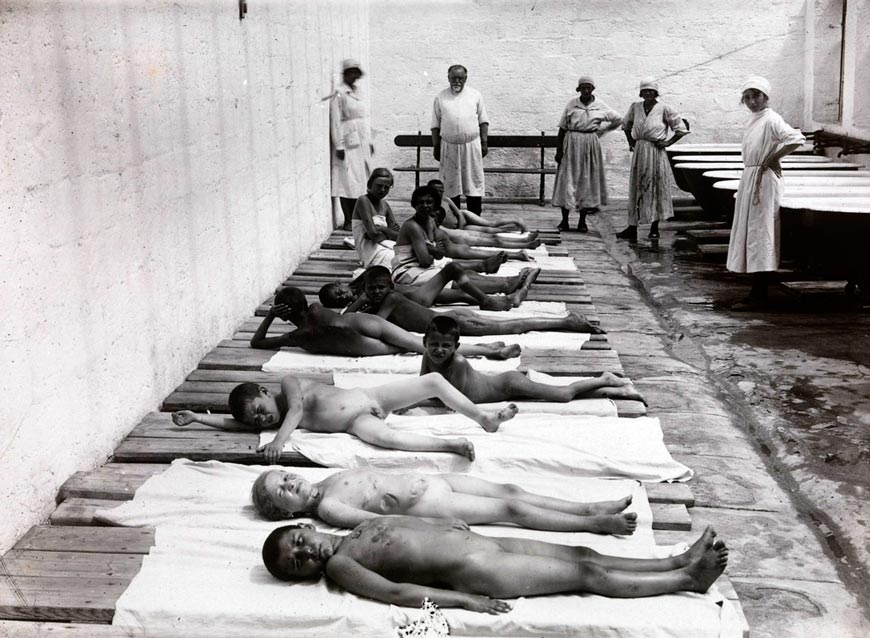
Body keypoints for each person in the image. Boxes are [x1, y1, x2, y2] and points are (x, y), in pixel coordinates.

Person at [261, 519, 728, 612]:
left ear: (305, 525)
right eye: (298, 563)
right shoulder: (342, 564)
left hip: (477, 540)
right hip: (479, 572)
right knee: (586, 576)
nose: (307, 554)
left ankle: (673, 559)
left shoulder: (355, 531)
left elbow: (407, 525)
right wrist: (466, 601)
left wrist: (447, 523)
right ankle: (688, 579)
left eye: (300, 542)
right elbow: (398, 594)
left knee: (586, 555)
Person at [171, 374, 518, 463]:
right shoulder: (273, 422)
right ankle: (451, 445)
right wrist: (200, 419)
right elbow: (235, 424)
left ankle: (483, 418)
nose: (264, 420)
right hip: (355, 423)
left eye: (261, 410)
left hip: (371, 397)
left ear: (264, 392)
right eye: (258, 422)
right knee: (390, 440)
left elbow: (296, 410)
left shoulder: (289, 387)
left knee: (433, 382)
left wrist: (279, 441)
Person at [252, 468, 637, 535]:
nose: (291, 483)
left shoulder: (329, 477)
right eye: (282, 492)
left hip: (432, 481)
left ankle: (588, 508)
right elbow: (375, 523)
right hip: (429, 507)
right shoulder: (328, 508)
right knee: (511, 511)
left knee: (510, 492)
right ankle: (594, 524)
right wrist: (435, 526)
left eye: (285, 477)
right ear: (286, 513)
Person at [249, 286, 520, 360]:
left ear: (285, 314)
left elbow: (256, 342)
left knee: (418, 347)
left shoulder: (299, 337)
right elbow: (338, 318)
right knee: (419, 344)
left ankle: (489, 350)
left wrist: (271, 316)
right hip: (363, 324)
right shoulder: (317, 310)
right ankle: (486, 348)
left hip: (355, 342)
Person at [421, 315, 644, 403]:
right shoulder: (427, 356)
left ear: (456, 347)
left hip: (507, 385)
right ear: (424, 343)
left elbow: (454, 401)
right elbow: (421, 384)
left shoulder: (458, 362)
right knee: (557, 394)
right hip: (502, 389)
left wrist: (415, 402)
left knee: (563, 394)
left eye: (445, 346)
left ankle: (603, 378)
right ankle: (620, 391)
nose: (438, 350)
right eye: (434, 345)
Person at [726, 77, 805, 310]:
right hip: (751, 177)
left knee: (761, 233)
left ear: (766, 97)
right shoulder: (755, 119)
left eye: (756, 96)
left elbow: (796, 138)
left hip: (763, 179)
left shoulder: (771, 118)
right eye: (747, 98)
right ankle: (756, 291)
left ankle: (759, 294)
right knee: (753, 232)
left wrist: (772, 158)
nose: (751, 101)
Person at [393, 185, 537, 310]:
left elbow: (441, 249)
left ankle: (506, 282)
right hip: (408, 272)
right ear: (414, 205)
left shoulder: (430, 221)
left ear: (435, 204)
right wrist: (435, 251)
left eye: (429, 202)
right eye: (420, 203)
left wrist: (434, 251)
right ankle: (505, 285)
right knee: (455, 279)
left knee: (467, 272)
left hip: (421, 266)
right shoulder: (412, 226)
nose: (425, 206)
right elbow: (426, 260)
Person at [354, 266, 602, 336]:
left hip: (450, 323)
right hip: (450, 318)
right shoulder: (386, 299)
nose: (376, 293)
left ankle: (565, 322)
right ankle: (561, 319)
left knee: (513, 327)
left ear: (390, 286)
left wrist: (360, 302)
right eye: (371, 289)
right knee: (509, 325)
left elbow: (371, 328)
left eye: (379, 288)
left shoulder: (391, 299)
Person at [617, 78, 690, 242]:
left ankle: (654, 227)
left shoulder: (664, 108)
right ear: (641, 93)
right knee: (637, 186)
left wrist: (668, 142)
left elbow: (681, 128)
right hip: (640, 150)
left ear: (656, 93)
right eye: (645, 91)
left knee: (655, 187)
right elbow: (626, 126)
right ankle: (632, 227)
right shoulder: (635, 107)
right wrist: (631, 142)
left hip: (655, 152)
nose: (648, 93)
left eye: (651, 91)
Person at [552, 76, 622, 232]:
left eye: (588, 87)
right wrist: (559, 151)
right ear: (579, 89)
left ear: (592, 89)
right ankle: (564, 221)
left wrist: (601, 132)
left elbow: (618, 119)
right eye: (582, 88)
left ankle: (582, 221)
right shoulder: (572, 104)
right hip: (571, 143)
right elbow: (562, 128)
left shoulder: (600, 105)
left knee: (586, 181)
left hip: (590, 145)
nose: (585, 90)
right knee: (568, 179)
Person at [432, 65, 489, 215]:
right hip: (448, 147)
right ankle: (454, 219)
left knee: (473, 184)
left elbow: (483, 121)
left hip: (471, 146)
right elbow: (435, 125)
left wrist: (484, 143)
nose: (457, 81)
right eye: (453, 78)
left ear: (466, 78)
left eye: (460, 78)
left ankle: (475, 217)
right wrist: (436, 146)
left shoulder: (475, 95)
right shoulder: (440, 97)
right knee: (450, 185)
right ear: (448, 78)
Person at [330, 59, 374, 230]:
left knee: (361, 179)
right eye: (350, 73)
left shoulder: (358, 92)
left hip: (361, 139)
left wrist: (369, 140)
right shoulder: (339, 93)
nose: (354, 76)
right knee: (347, 180)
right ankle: (348, 219)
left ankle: (358, 218)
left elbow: (364, 118)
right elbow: (335, 121)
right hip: (348, 141)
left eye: (356, 73)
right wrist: (339, 145)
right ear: (345, 74)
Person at [428, 179, 527, 233]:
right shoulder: (428, 206)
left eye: (441, 191)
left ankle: (516, 220)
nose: (440, 193)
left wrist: (461, 226)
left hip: (463, 217)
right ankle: (513, 229)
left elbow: (458, 212)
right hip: (457, 228)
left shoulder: (446, 200)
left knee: (490, 224)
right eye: (437, 191)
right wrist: (458, 231)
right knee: (487, 230)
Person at [352, 168, 400, 269]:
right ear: (370, 185)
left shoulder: (385, 205)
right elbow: (373, 235)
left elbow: (398, 236)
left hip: (387, 246)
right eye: (379, 186)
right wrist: (388, 232)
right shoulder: (363, 200)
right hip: (370, 251)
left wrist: (382, 229)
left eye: (386, 187)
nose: (382, 190)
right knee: (399, 259)